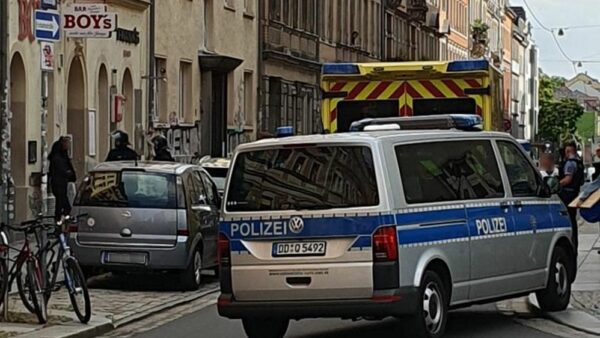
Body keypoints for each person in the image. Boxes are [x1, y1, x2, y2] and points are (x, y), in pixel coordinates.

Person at [559, 141, 585, 251]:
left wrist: (556, 185)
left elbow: (568, 179)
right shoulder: (579, 163)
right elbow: (582, 181)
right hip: (575, 194)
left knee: (567, 221)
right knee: (573, 221)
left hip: (567, 196)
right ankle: (574, 244)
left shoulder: (570, 163)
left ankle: (570, 245)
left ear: (568, 151)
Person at [48, 137, 76, 221]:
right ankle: (60, 221)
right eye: (66, 144)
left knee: (60, 204)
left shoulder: (63, 156)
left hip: (61, 184)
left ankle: (60, 221)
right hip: (59, 184)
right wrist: (68, 173)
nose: (67, 146)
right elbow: (63, 170)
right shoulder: (58, 158)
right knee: (62, 204)